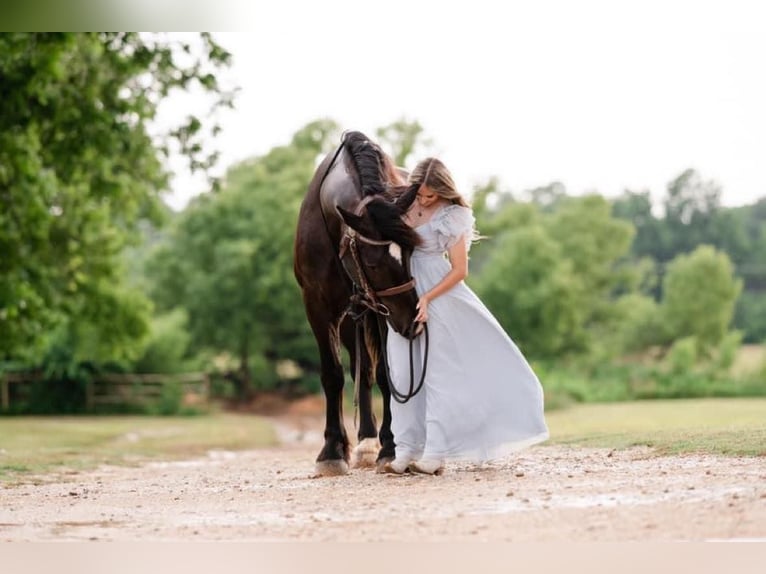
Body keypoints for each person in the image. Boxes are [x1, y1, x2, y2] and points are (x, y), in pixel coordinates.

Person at [384, 157, 549, 475]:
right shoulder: (403, 208)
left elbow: (460, 270)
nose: (426, 199)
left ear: (444, 190)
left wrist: (428, 298)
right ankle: (405, 449)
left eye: (432, 194)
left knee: (436, 375)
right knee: (402, 373)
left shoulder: (453, 215)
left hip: (439, 294)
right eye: (421, 193)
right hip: (405, 294)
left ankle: (434, 453)